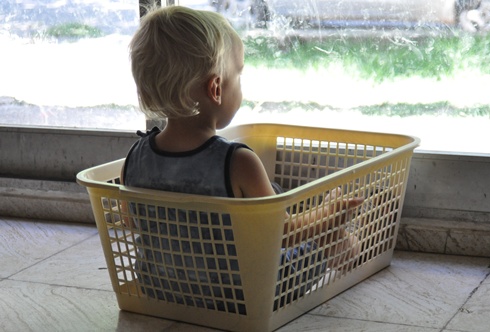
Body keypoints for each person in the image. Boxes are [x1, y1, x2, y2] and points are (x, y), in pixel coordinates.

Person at [122, 5, 364, 307]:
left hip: (160, 289)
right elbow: (282, 235)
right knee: (301, 228)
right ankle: (331, 238)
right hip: (245, 295)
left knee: (266, 196)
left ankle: (319, 227)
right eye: (239, 74)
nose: (241, 83)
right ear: (216, 89)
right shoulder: (237, 161)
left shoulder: (136, 157)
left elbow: (132, 222)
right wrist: (330, 215)